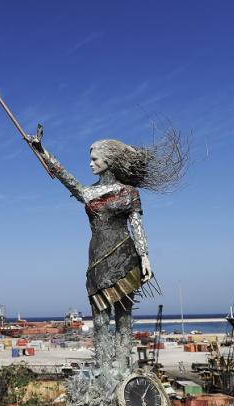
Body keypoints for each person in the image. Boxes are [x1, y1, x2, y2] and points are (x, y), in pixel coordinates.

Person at [28, 124, 186, 371]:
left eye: (95, 159)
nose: (90, 164)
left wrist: (145, 256)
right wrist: (41, 151)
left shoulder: (129, 192)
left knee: (124, 317)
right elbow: (64, 176)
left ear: (109, 161)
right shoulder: (88, 192)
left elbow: (137, 225)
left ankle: (122, 368)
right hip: (97, 260)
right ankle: (102, 369)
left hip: (125, 256)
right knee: (100, 319)